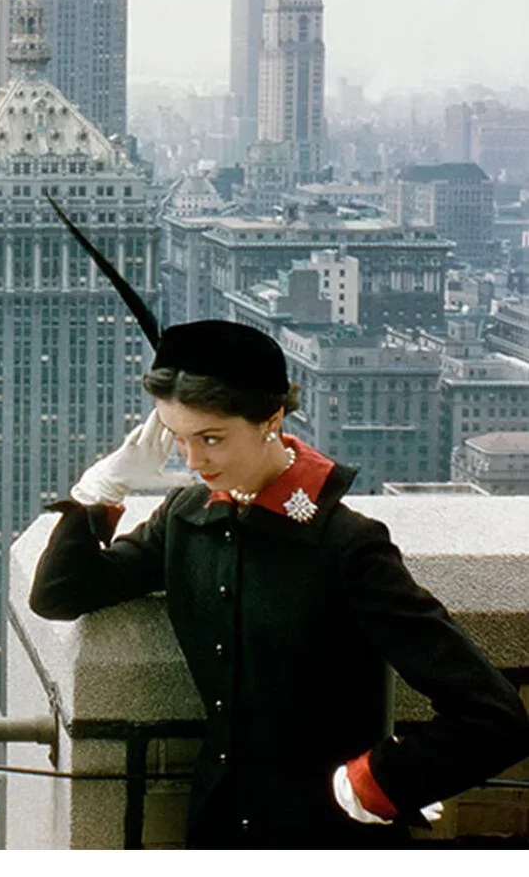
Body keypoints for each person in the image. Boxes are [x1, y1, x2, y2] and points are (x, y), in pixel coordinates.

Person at [30, 317, 529, 848]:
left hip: (329, 837)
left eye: (211, 439)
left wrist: (377, 784)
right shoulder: (188, 517)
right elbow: (60, 594)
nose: (193, 461)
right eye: (177, 439)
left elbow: (494, 716)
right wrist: (103, 487)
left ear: (271, 420)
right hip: (218, 829)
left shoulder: (346, 546)